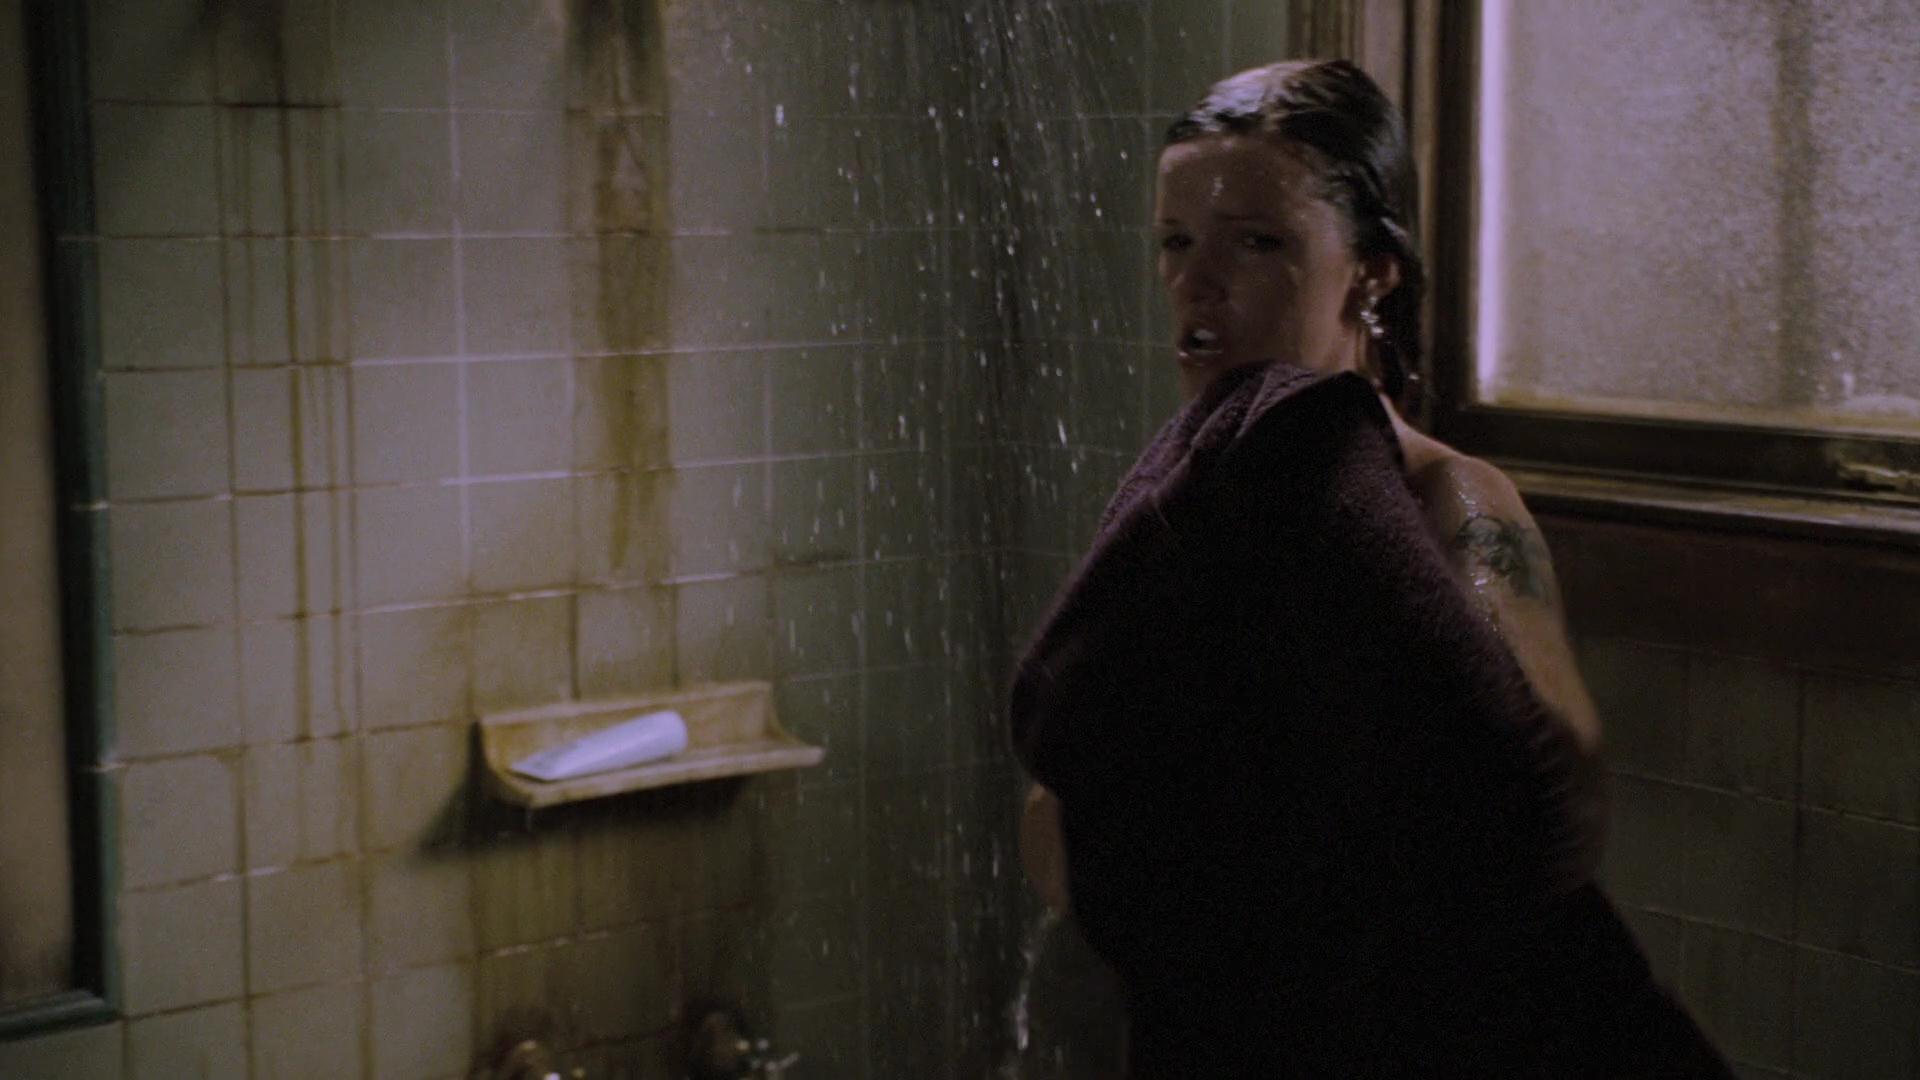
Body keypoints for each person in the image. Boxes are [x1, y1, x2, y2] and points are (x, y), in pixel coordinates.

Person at [1010, 60, 1732, 1077]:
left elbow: (1555, 797)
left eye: (1257, 243)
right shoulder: (1193, 504)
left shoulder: (1449, 498)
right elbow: (1061, 813)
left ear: (1371, 273)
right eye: (1175, 242)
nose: (1196, 285)